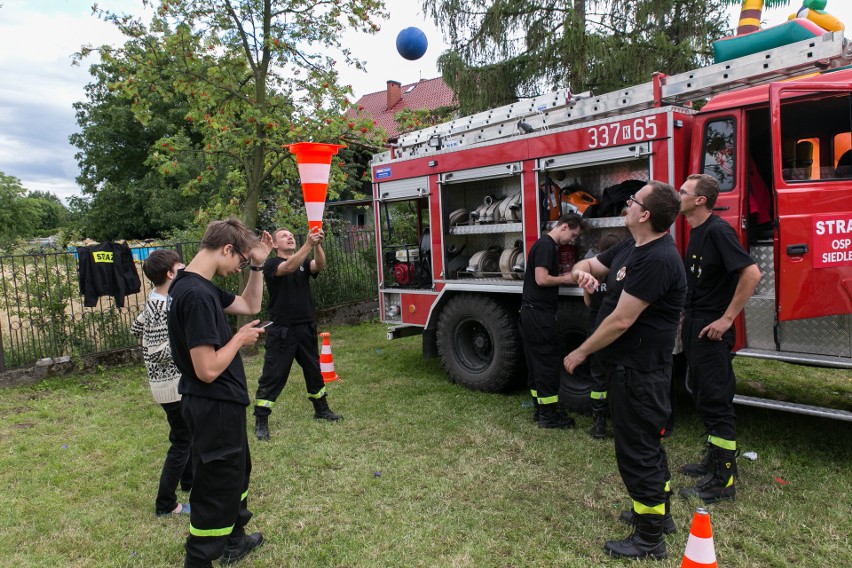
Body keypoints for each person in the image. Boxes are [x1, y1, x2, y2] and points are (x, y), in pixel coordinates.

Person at [564, 181, 685, 560]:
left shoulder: (658, 258)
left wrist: (580, 352)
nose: (626, 205)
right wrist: (581, 275)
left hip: (639, 370)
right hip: (626, 368)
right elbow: (586, 265)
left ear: (645, 214)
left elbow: (621, 320)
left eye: (632, 201)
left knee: (638, 451)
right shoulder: (632, 246)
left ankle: (649, 538)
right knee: (644, 444)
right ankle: (656, 514)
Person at [167, 219, 273, 568]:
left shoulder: (197, 285)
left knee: (235, 473)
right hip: (213, 406)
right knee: (215, 486)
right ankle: (198, 561)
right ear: (226, 249)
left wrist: (258, 264)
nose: (239, 267)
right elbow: (207, 369)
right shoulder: (196, 296)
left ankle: (234, 540)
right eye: (240, 260)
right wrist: (239, 340)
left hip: (221, 405)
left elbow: (250, 306)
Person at [677, 174, 761, 504]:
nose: (678, 194)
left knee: (716, 401)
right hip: (697, 327)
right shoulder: (697, 231)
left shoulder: (718, 230)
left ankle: (722, 481)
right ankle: (713, 461)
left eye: (683, 191)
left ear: (700, 200)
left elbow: (751, 273)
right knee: (702, 395)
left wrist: (726, 319)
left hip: (712, 332)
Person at [253, 226, 340, 441]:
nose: (289, 237)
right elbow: (288, 268)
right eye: (284, 236)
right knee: (273, 374)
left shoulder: (302, 261)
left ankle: (321, 409)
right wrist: (308, 244)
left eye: (291, 235)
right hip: (282, 329)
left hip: (305, 327)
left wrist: (317, 244)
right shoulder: (272, 264)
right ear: (274, 245)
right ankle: (261, 418)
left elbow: (320, 265)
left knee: (313, 370)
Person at [130, 249, 192, 518]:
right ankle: (165, 504)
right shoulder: (162, 305)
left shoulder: (158, 299)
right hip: (170, 385)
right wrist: (187, 345)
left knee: (186, 436)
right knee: (182, 441)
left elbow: (136, 328)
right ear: (170, 273)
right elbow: (157, 350)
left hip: (171, 384)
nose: (186, 267)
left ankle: (189, 483)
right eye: (181, 266)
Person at [520, 212, 583, 429]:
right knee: (547, 364)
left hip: (530, 314)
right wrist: (565, 278)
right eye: (572, 235)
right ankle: (549, 416)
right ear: (564, 226)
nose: (571, 240)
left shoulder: (542, 245)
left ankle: (540, 410)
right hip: (540, 316)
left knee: (536, 364)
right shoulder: (547, 246)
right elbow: (542, 278)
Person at [583, 233, 622, 439]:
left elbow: (589, 303)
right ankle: (620, 424)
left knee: (597, 376)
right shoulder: (622, 273)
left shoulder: (593, 276)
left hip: (595, 327)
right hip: (615, 329)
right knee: (617, 377)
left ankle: (598, 425)